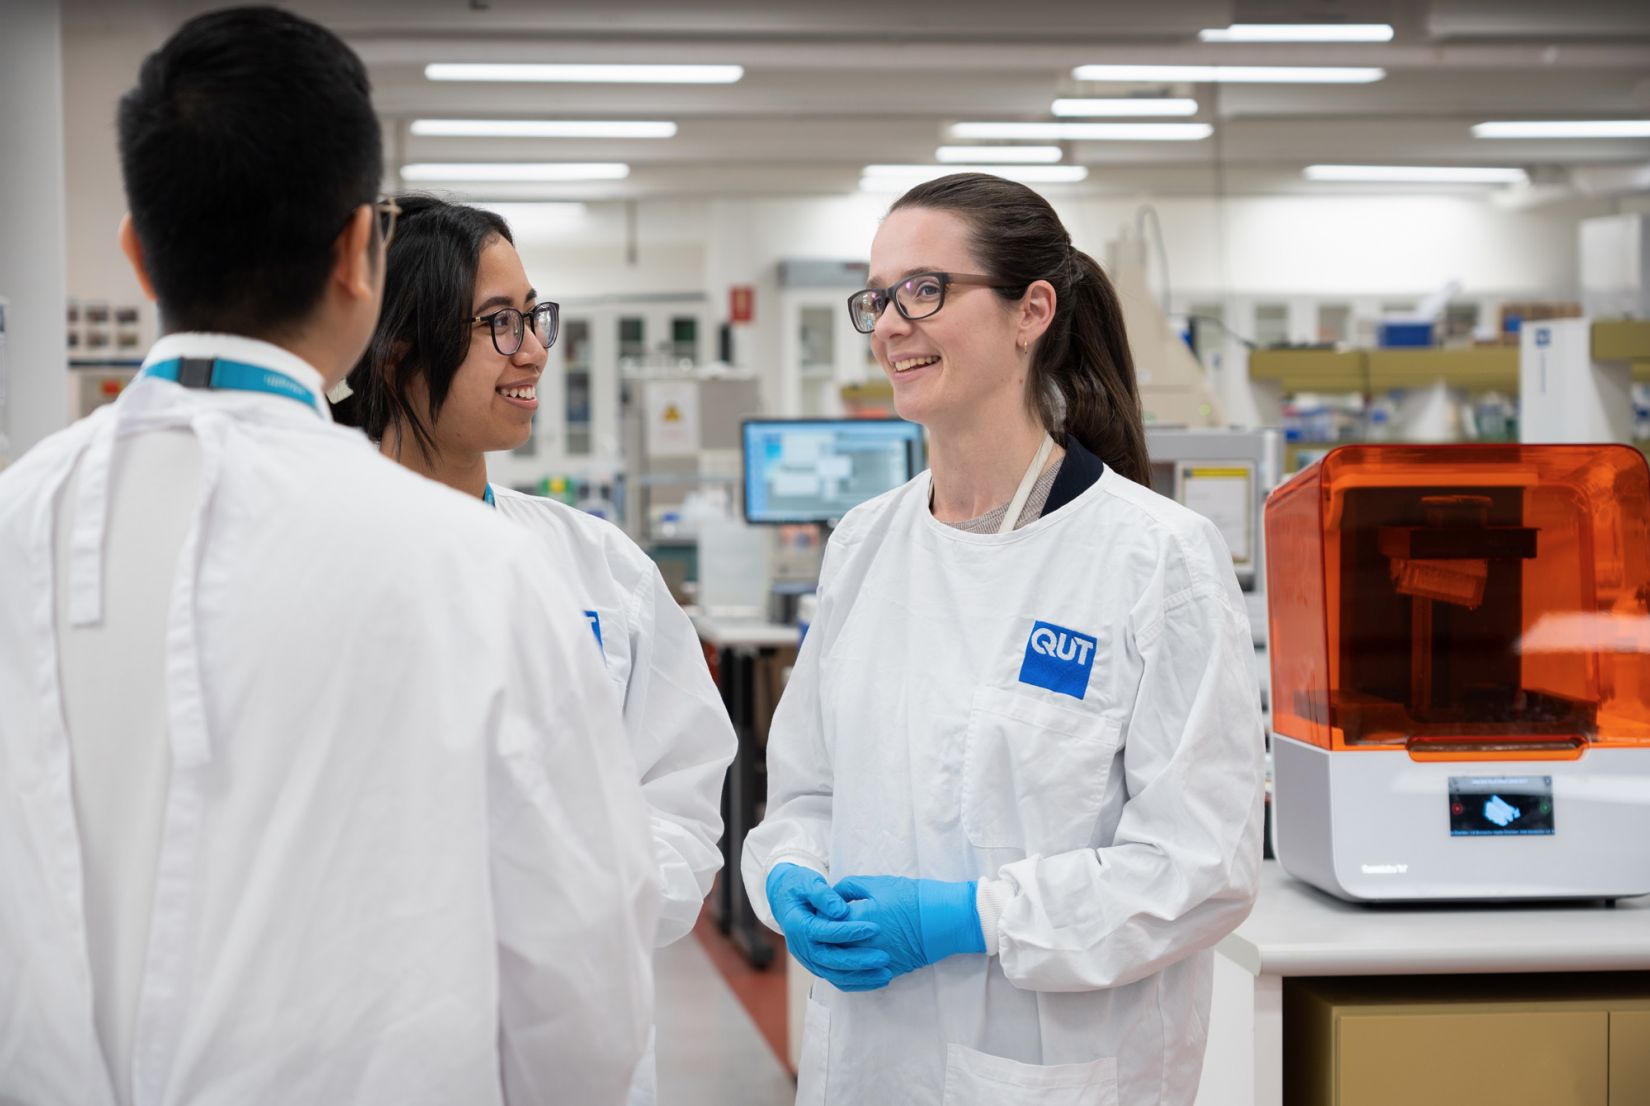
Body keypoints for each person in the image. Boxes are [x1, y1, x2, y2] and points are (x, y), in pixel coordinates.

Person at [0, 10, 657, 1106]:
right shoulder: (474, 569)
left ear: (135, 246)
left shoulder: (16, 516)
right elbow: (579, 990)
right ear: (360, 250)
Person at [741, 172, 1265, 1106]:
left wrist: (971, 918)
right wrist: (787, 872)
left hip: (1055, 1068)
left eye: (926, 290)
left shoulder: (1156, 558)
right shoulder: (864, 544)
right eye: (879, 297)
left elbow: (1198, 871)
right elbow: (808, 791)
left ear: (1031, 312)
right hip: (868, 1057)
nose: (892, 323)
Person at [329, 195, 737, 1106]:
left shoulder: (597, 568)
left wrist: (580, 902)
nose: (534, 349)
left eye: (533, 315)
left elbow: (682, 798)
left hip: (576, 1042)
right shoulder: (313, 562)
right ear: (397, 353)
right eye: (497, 323)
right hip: (371, 1043)